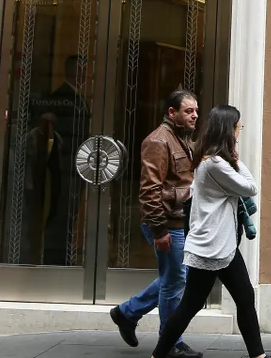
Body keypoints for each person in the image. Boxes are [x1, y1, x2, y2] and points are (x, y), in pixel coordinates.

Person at [150, 105, 265, 358]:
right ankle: (158, 354)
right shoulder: (216, 164)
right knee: (189, 307)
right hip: (212, 246)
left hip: (220, 245)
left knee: (243, 300)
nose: (239, 132)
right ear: (228, 130)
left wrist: (230, 156)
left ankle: (258, 355)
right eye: (238, 127)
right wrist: (234, 156)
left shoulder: (212, 161)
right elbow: (250, 187)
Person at [110, 90, 202, 358]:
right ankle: (171, 342)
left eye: (196, 110)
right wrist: (159, 230)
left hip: (178, 221)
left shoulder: (183, 139)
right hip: (166, 224)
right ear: (172, 113)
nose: (195, 115)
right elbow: (150, 190)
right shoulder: (158, 141)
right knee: (175, 281)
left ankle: (127, 313)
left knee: (172, 279)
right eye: (188, 111)